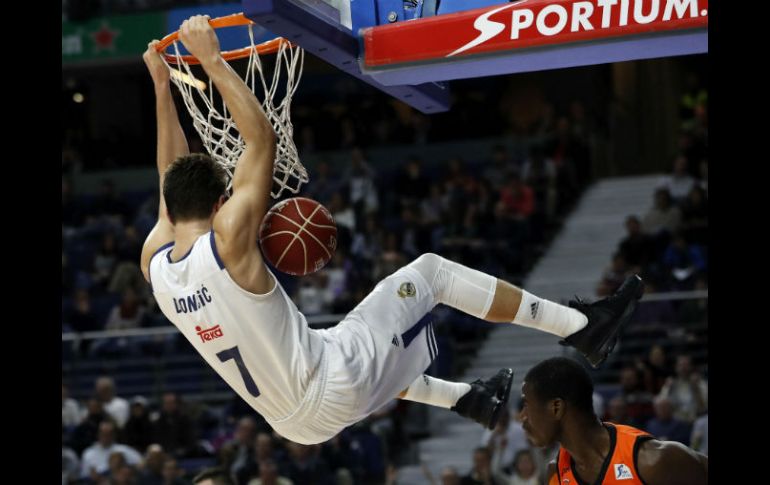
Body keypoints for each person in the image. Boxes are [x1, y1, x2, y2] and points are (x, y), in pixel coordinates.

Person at [140, 15, 644, 446]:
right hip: (334, 384)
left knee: (354, 338)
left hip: (291, 422)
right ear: (220, 202)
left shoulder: (156, 264)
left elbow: (170, 179)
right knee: (430, 275)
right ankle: (582, 328)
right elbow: (261, 139)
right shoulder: (227, 241)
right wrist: (211, 60)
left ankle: (468, 399)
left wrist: (164, 87)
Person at [518, 357, 708, 485]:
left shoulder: (652, 460)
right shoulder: (556, 474)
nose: (522, 417)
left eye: (526, 405)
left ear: (556, 408)